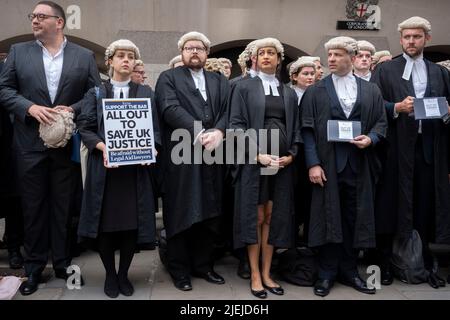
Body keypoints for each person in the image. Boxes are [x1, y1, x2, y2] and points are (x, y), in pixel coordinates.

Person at [0, 1, 100, 296]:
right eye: (33, 16)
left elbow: (94, 93)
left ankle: (63, 264)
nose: (34, 20)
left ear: (59, 22)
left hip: (65, 145)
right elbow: (4, 90)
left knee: (62, 208)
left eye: (41, 16)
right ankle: (32, 269)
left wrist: (73, 109)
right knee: (32, 209)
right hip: (29, 145)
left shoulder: (83, 56)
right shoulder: (19, 52)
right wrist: (29, 108)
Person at [300, 36, 387, 297]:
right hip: (327, 165)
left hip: (359, 165)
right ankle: (326, 273)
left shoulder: (371, 90)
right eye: (330, 55)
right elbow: (306, 131)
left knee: (354, 218)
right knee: (328, 217)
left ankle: (350, 271)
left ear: (352, 57)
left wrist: (370, 139)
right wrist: (313, 163)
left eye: (338, 55)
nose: (332, 59)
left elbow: (381, 123)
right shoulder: (316, 90)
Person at [77, 39, 160, 298]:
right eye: (121, 56)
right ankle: (110, 276)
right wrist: (102, 147)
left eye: (130, 57)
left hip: (134, 173)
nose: (126, 60)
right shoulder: (96, 93)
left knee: (130, 226)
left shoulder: (145, 92)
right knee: (106, 226)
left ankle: (123, 274)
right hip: (106, 171)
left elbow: (155, 130)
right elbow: (85, 128)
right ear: (110, 61)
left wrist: (153, 148)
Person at [371, 16, 450, 288]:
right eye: (407, 37)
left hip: (427, 151)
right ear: (401, 39)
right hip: (395, 151)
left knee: (424, 207)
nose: (411, 41)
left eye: (417, 36)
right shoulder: (386, 70)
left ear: (426, 38)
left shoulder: (439, 73)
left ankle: (424, 264)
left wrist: (448, 113)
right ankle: (384, 264)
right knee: (389, 206)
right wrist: (395, 108)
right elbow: (371, 106)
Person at [155, 31, 229, 291]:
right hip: (181, 157)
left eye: (199, 48)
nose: (194, 51)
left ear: (207, 53)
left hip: (215, 154)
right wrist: (200, 131)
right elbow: (169, 108)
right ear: (182, 52)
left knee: (210, 213)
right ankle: (180, 270)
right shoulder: (168, 78)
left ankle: (203, 266)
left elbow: (229, 110)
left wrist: (219, 131)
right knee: (181, 212)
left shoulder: (219, 80)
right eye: (189, 48)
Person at [230, 38, 301, 299]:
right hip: (254, 162)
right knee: (256, 217)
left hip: (281, 164)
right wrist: (256, 154)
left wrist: (292, 155)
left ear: (280, 59)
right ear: (254, 59)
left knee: (273, 216)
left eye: (272, 53)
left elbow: (296, 130)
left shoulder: (289, 92)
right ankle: (255, 274)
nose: (267, 57)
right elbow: (235, 125)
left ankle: (268, 272)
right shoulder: (243, 87)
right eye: (262, 53)